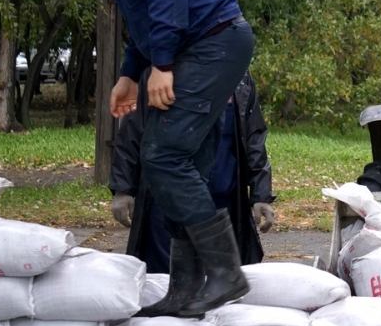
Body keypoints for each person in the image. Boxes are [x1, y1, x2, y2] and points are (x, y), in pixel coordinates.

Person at [43, 0, 255, 317]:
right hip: (194, 47)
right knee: (182, 164)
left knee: (162, 155)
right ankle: (184, 287)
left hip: (213, 42)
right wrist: (128, 75)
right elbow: (143, 17)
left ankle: (225, 272)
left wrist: (161, 66)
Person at [110, 70, 275, 283]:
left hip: (222, 205)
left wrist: (261, 194)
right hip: (166, 203)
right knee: (164, 280)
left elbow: (253, 137)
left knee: (221, 285)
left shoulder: (238, 76)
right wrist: (123, 189)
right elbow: (133, 129)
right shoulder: (157, 70)